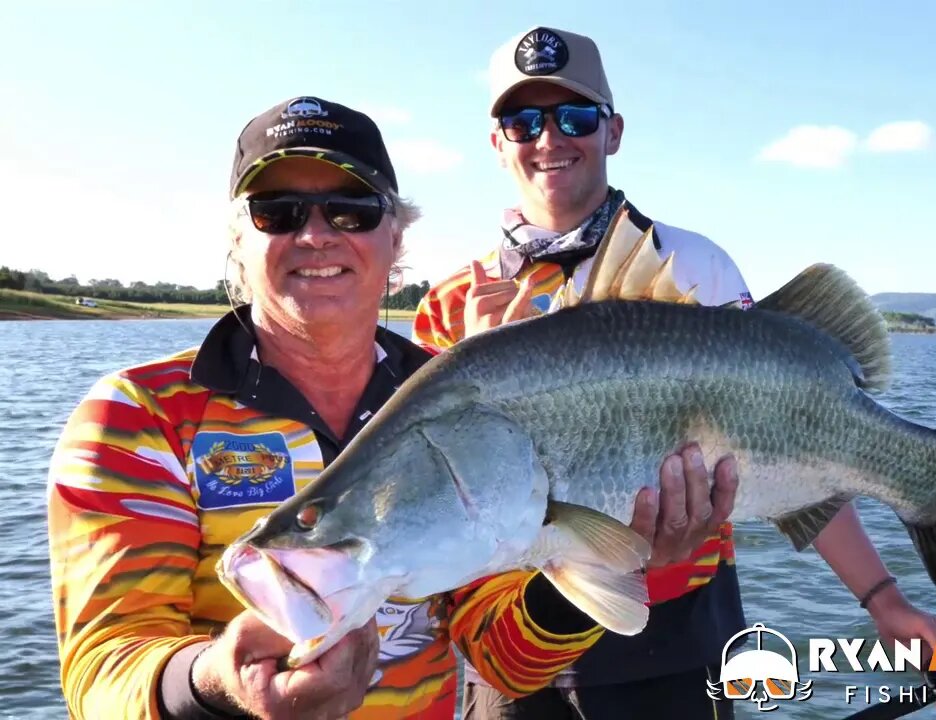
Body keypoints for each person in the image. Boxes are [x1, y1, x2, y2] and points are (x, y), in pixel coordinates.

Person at [46, 94, 736, 720]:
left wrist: (613, 555)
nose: (316, 235)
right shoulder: (137, 416)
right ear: (238, 238)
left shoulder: (460, 403)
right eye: (278, 212)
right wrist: (216, 685)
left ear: (395, 237)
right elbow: (102, 666)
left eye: (351, 210)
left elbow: (504, 658)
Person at [412, 25, 936, 719]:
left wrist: (882, 600)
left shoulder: (693, 266)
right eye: (523, 119)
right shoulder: (449, 306)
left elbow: (801, 438)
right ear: (496, 141)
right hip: (518, 654)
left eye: (576, 116)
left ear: (613, 131)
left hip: (680, 641)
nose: (548, 138)